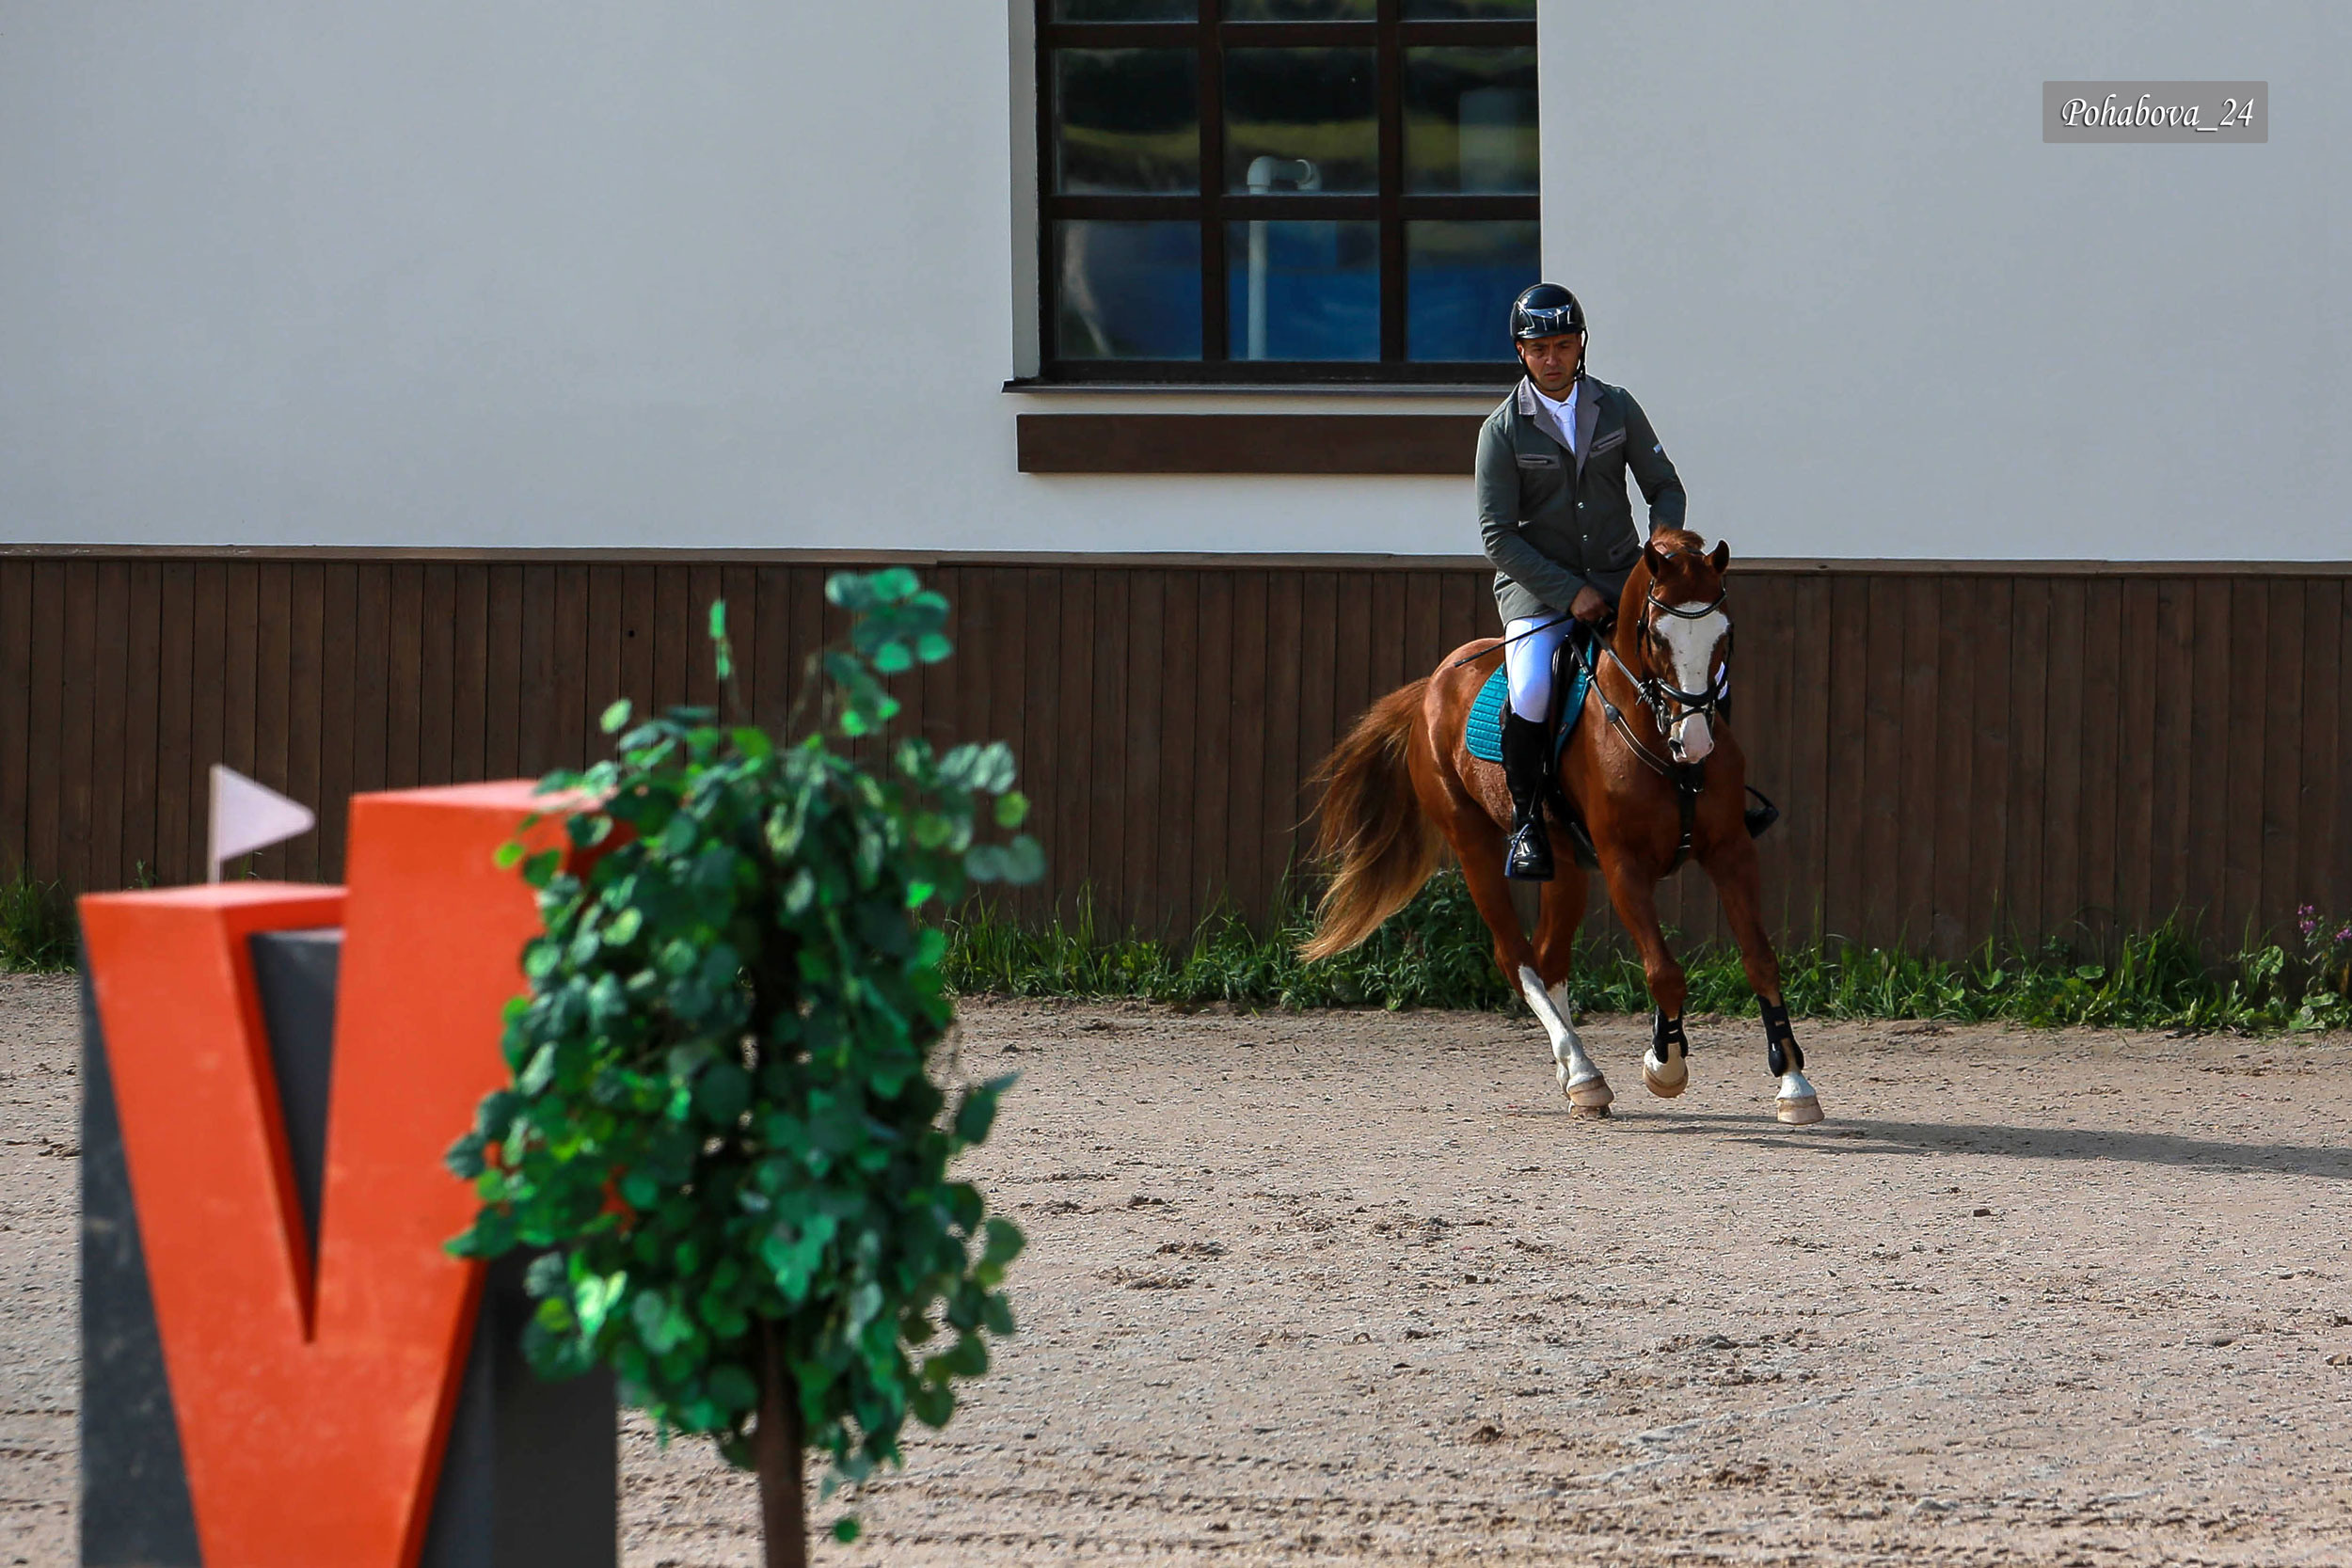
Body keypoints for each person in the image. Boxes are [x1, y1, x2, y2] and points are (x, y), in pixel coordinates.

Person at [1474, 283, 1687, 880]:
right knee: (1531, 688)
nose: (1553, 359)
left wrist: (1660, 552)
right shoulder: (1501, 431)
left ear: (1580, 346)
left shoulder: (1616, 406)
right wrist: (1569, 593)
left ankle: (1716, 792)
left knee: (1695, 659)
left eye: (1564, 346)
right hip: (1539, 590)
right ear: (1522, 352)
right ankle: (1526, 824)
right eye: (1540, 348)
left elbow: (1664, 486)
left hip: (1622, 576)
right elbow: (1498, 536)